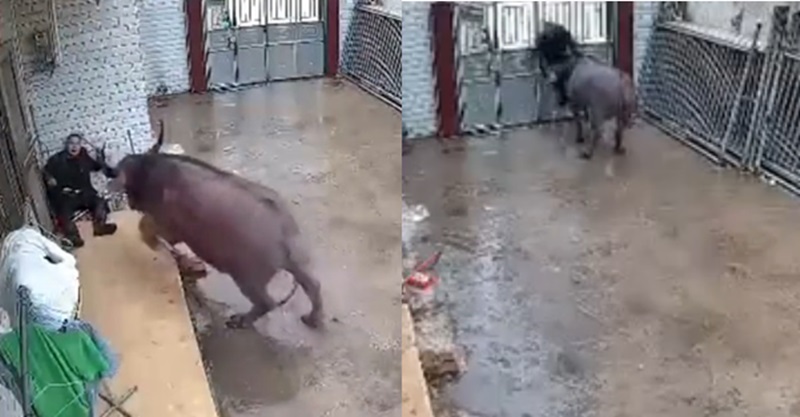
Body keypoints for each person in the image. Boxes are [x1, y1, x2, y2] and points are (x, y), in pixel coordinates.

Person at [43, 133, 118, 248]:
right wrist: (49, 178)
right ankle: (74, 237)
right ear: (66, 145)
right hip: (68, 196)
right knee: (63, 213)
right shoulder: (57, 159)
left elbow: (97, 167)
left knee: (99, 202)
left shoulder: (84, 156)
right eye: (71, 143)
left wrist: (99, 154)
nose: (74, 147)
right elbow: (46, 171)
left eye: (77, 144)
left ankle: (100, 227)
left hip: (85, 193)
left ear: (80, 145)